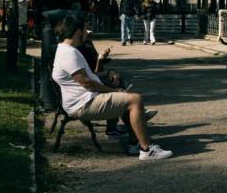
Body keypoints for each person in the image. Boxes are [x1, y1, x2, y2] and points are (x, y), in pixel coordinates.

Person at [51, 14, 171, 160]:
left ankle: (135, 144)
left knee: (127, 96)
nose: (87, 33)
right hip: (83, 104)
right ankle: (146, 150)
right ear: (78, 31)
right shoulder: (69, 53)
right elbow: (86, 83)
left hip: (83, 100)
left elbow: (88, 79)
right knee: (135, 100)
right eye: (85, 29)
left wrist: (113, 86)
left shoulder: (68, 50)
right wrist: (114, 91)